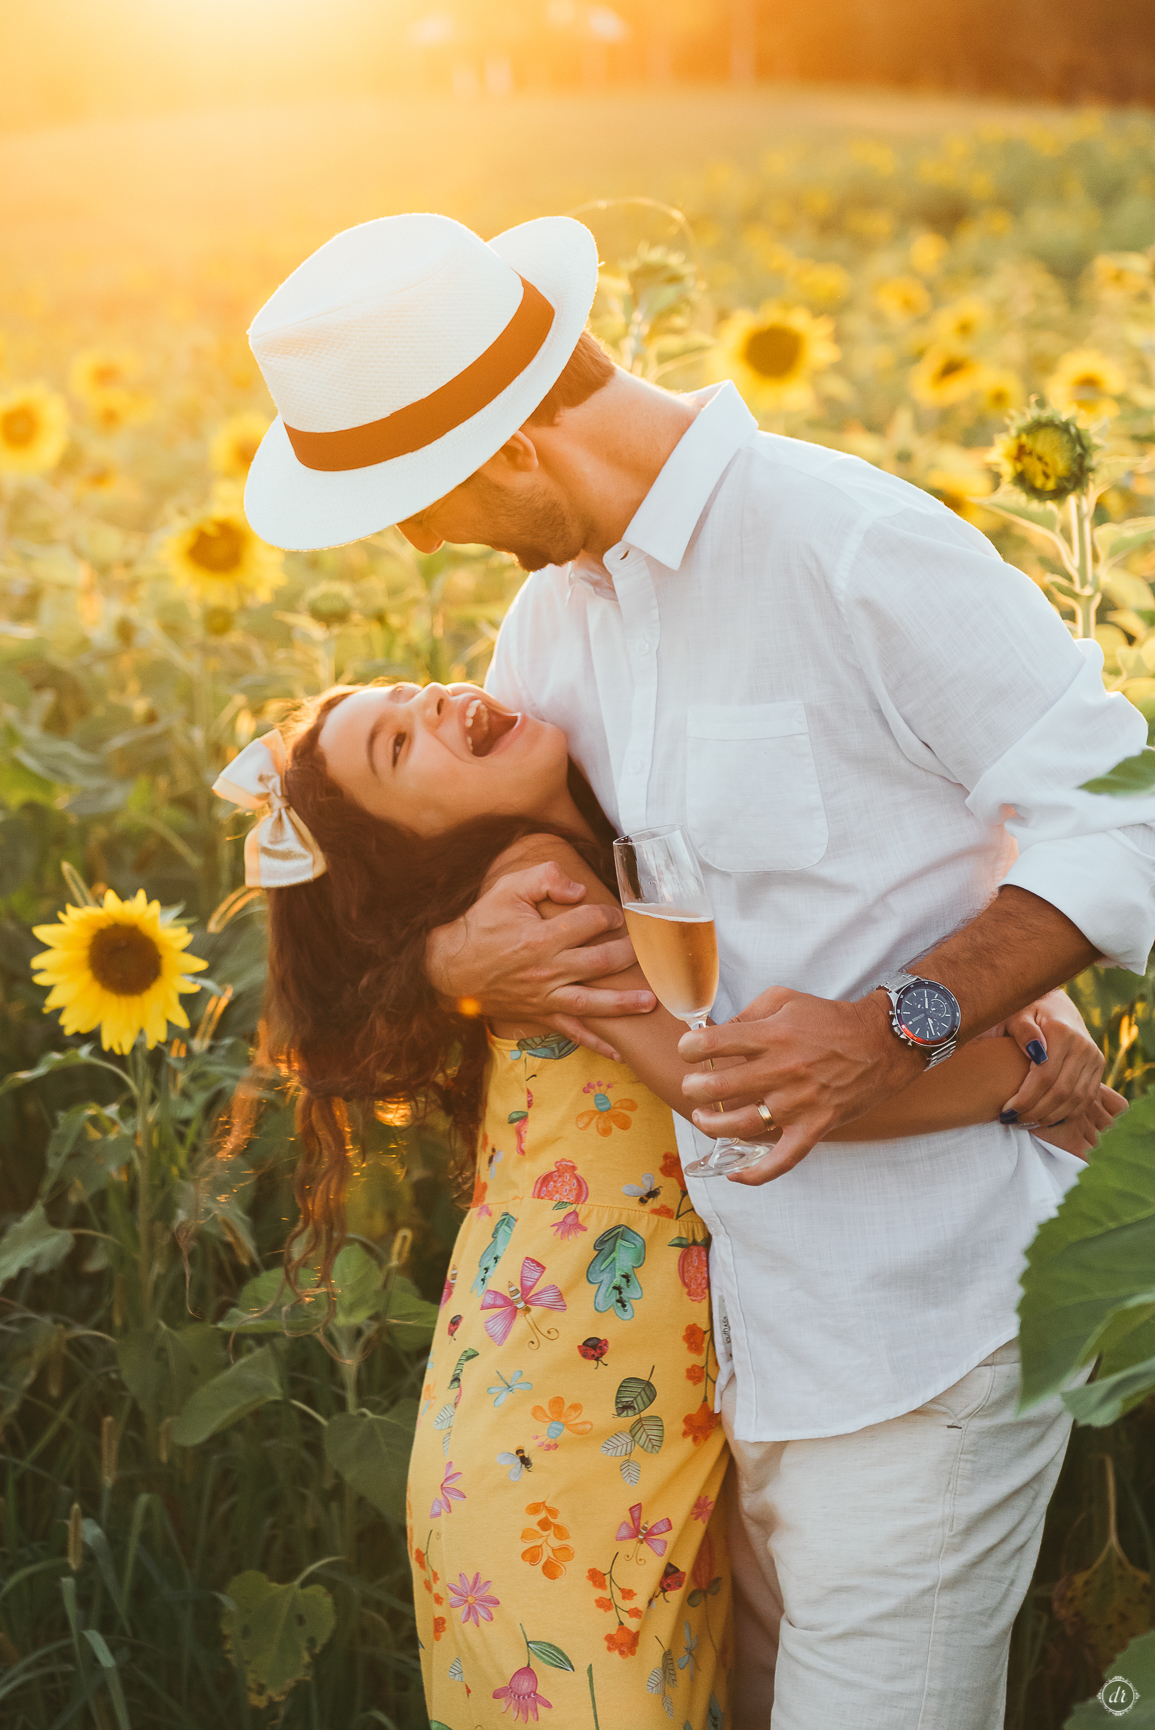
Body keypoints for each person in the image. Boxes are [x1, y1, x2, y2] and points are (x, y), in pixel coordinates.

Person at [235, 212, 1155, 1728]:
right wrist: (454, 957)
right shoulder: (546, 638)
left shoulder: (843, 545)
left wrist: (906, 1017)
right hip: (723, 1360)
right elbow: (485, 888)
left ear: (512, 449)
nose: (413, 545)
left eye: (408, 503)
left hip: (920, 1320)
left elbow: (1117, 806)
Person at [214, 681, 1117, 1730]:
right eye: (399, 744)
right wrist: (1023, 1080)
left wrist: (1028, 1014)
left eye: (406, 689)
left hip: (591, 1418)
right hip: (564, 1444)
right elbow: (733, 1088)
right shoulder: (540, 883)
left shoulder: (573, 849)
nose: (436, 701)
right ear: (410, 850)